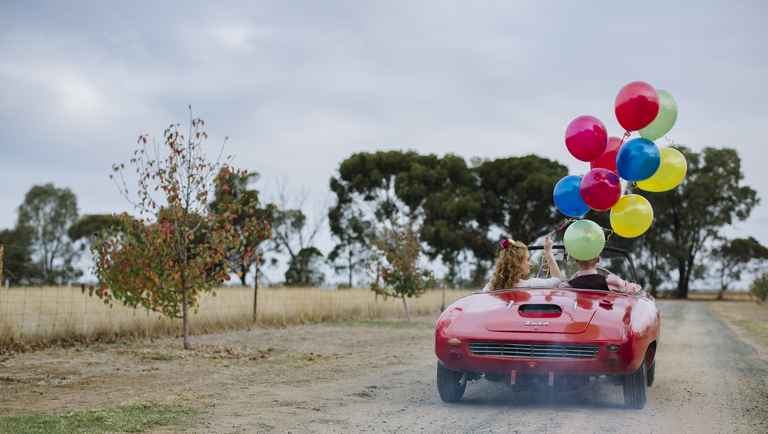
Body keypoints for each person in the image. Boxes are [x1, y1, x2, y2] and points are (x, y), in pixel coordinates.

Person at [483, 235, 562, 291]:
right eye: (527, 260)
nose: (530, 264)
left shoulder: (489, 287)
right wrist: (548, 252)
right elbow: (557, 280)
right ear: (517, 263)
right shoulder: (530, 285)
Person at [564, 256, 641, 293]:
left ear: (576, 260)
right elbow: (636, 289)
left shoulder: (568, 286)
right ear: (598, 259)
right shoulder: (612, 282)